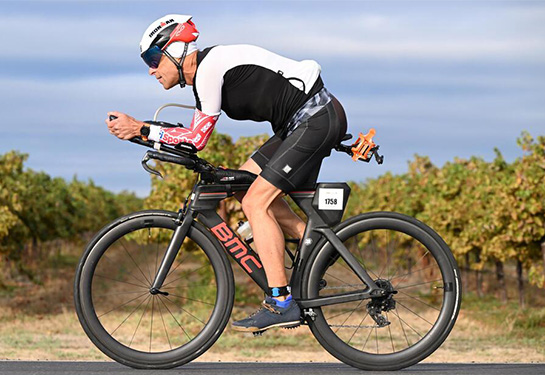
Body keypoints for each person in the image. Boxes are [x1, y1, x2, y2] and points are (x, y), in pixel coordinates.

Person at [106, 14, 347, 333]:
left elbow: (196, 140)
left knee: (255, 203)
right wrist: (142, 134)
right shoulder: (206, 76)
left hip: (313, 118)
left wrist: (142, 127)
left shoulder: (209, 69)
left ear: (176, 51)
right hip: (301, 123)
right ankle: (314, 245)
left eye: (153, 58)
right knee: (243, 185)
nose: (151, 69)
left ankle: (281, 302)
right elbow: (192, 136)